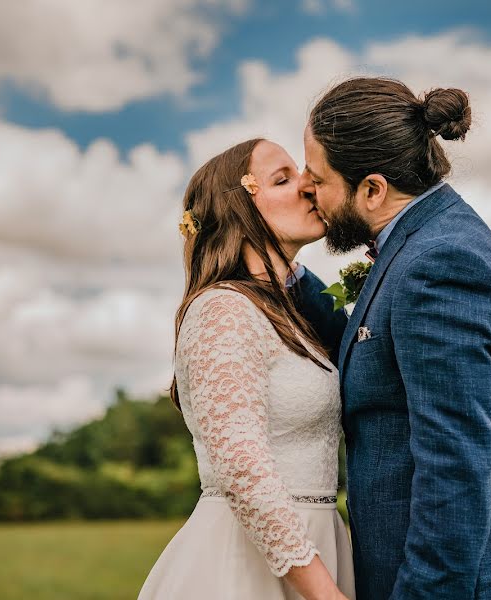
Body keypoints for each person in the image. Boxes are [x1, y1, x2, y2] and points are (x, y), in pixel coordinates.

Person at [292, 77, 491, 599]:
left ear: (373, 189)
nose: (309, 192)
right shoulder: (425, 241)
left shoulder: (440, 265)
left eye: (318, 178)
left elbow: (454, 468)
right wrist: (283, 272)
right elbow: (369, 350)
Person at [137, 138, 355, 600]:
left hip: (320, 549)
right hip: (247, 567)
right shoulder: (223, 310)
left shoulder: (290, 316)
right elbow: (239, 461)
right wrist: (323, 593)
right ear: (239, 210)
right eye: (284, 178)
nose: (309, 187)